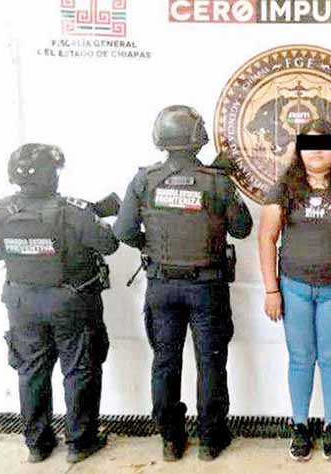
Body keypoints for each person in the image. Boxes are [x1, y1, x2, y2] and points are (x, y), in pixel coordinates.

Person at [114, 105, 253, 462]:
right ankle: (210, 440)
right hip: (207, 288)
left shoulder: (144, 180)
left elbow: (123, 231)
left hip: (161, 285)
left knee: (164, 362)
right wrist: (225, 183)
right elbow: (242, 229)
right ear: (197, 137)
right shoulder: (216, 181)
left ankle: (171, 441)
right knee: (210, 363)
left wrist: (149, 247)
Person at [0, 144, 117, 464]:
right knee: (79, 369)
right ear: (50, 175)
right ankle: (80, 443)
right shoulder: (73, 211)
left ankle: (37, 445)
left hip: (21, 303)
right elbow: (109, 244)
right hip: (70, 302)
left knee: (30, 370)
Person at [258, 119, 331, 462]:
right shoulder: (284, 187)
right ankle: (299, 425)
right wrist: (271, 290)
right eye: (309, 145)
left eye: (324, 144)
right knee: (300, 359)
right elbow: (267, 238)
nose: (317, 152)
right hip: (293, 288)